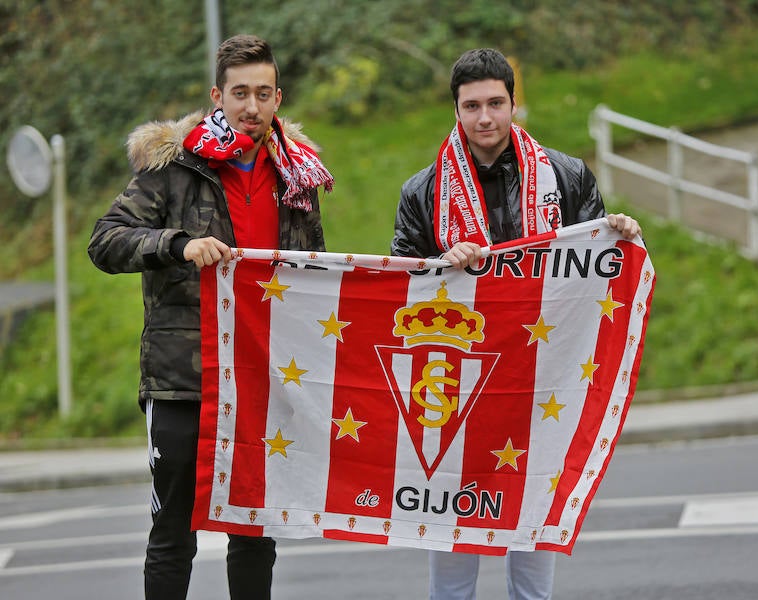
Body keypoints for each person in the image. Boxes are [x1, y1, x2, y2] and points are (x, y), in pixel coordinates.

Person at [88, 34, 333, 600]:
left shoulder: (299, 176)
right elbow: (106, 242)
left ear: (279, 98)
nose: (251, 106)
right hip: (184, 379)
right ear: (217, 96)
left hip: (263, 377)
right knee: (173, 533)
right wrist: (178, 245)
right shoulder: (175, 165)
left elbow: (316, 272)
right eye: (240, 93)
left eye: (263, 93)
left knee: (253, 534)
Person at [391, 48, 642, 600]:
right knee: (455, 533)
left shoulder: (567, 175)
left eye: (496, 103)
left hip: (542, 380)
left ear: (514, 103)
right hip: (457, 386)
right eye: (472, 105)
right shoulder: (423, 192)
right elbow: (399, 291)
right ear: (455, 111)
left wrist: (616, 233)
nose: (486, 118)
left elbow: (596, 273)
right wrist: (440, 266)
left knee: (535, 526)